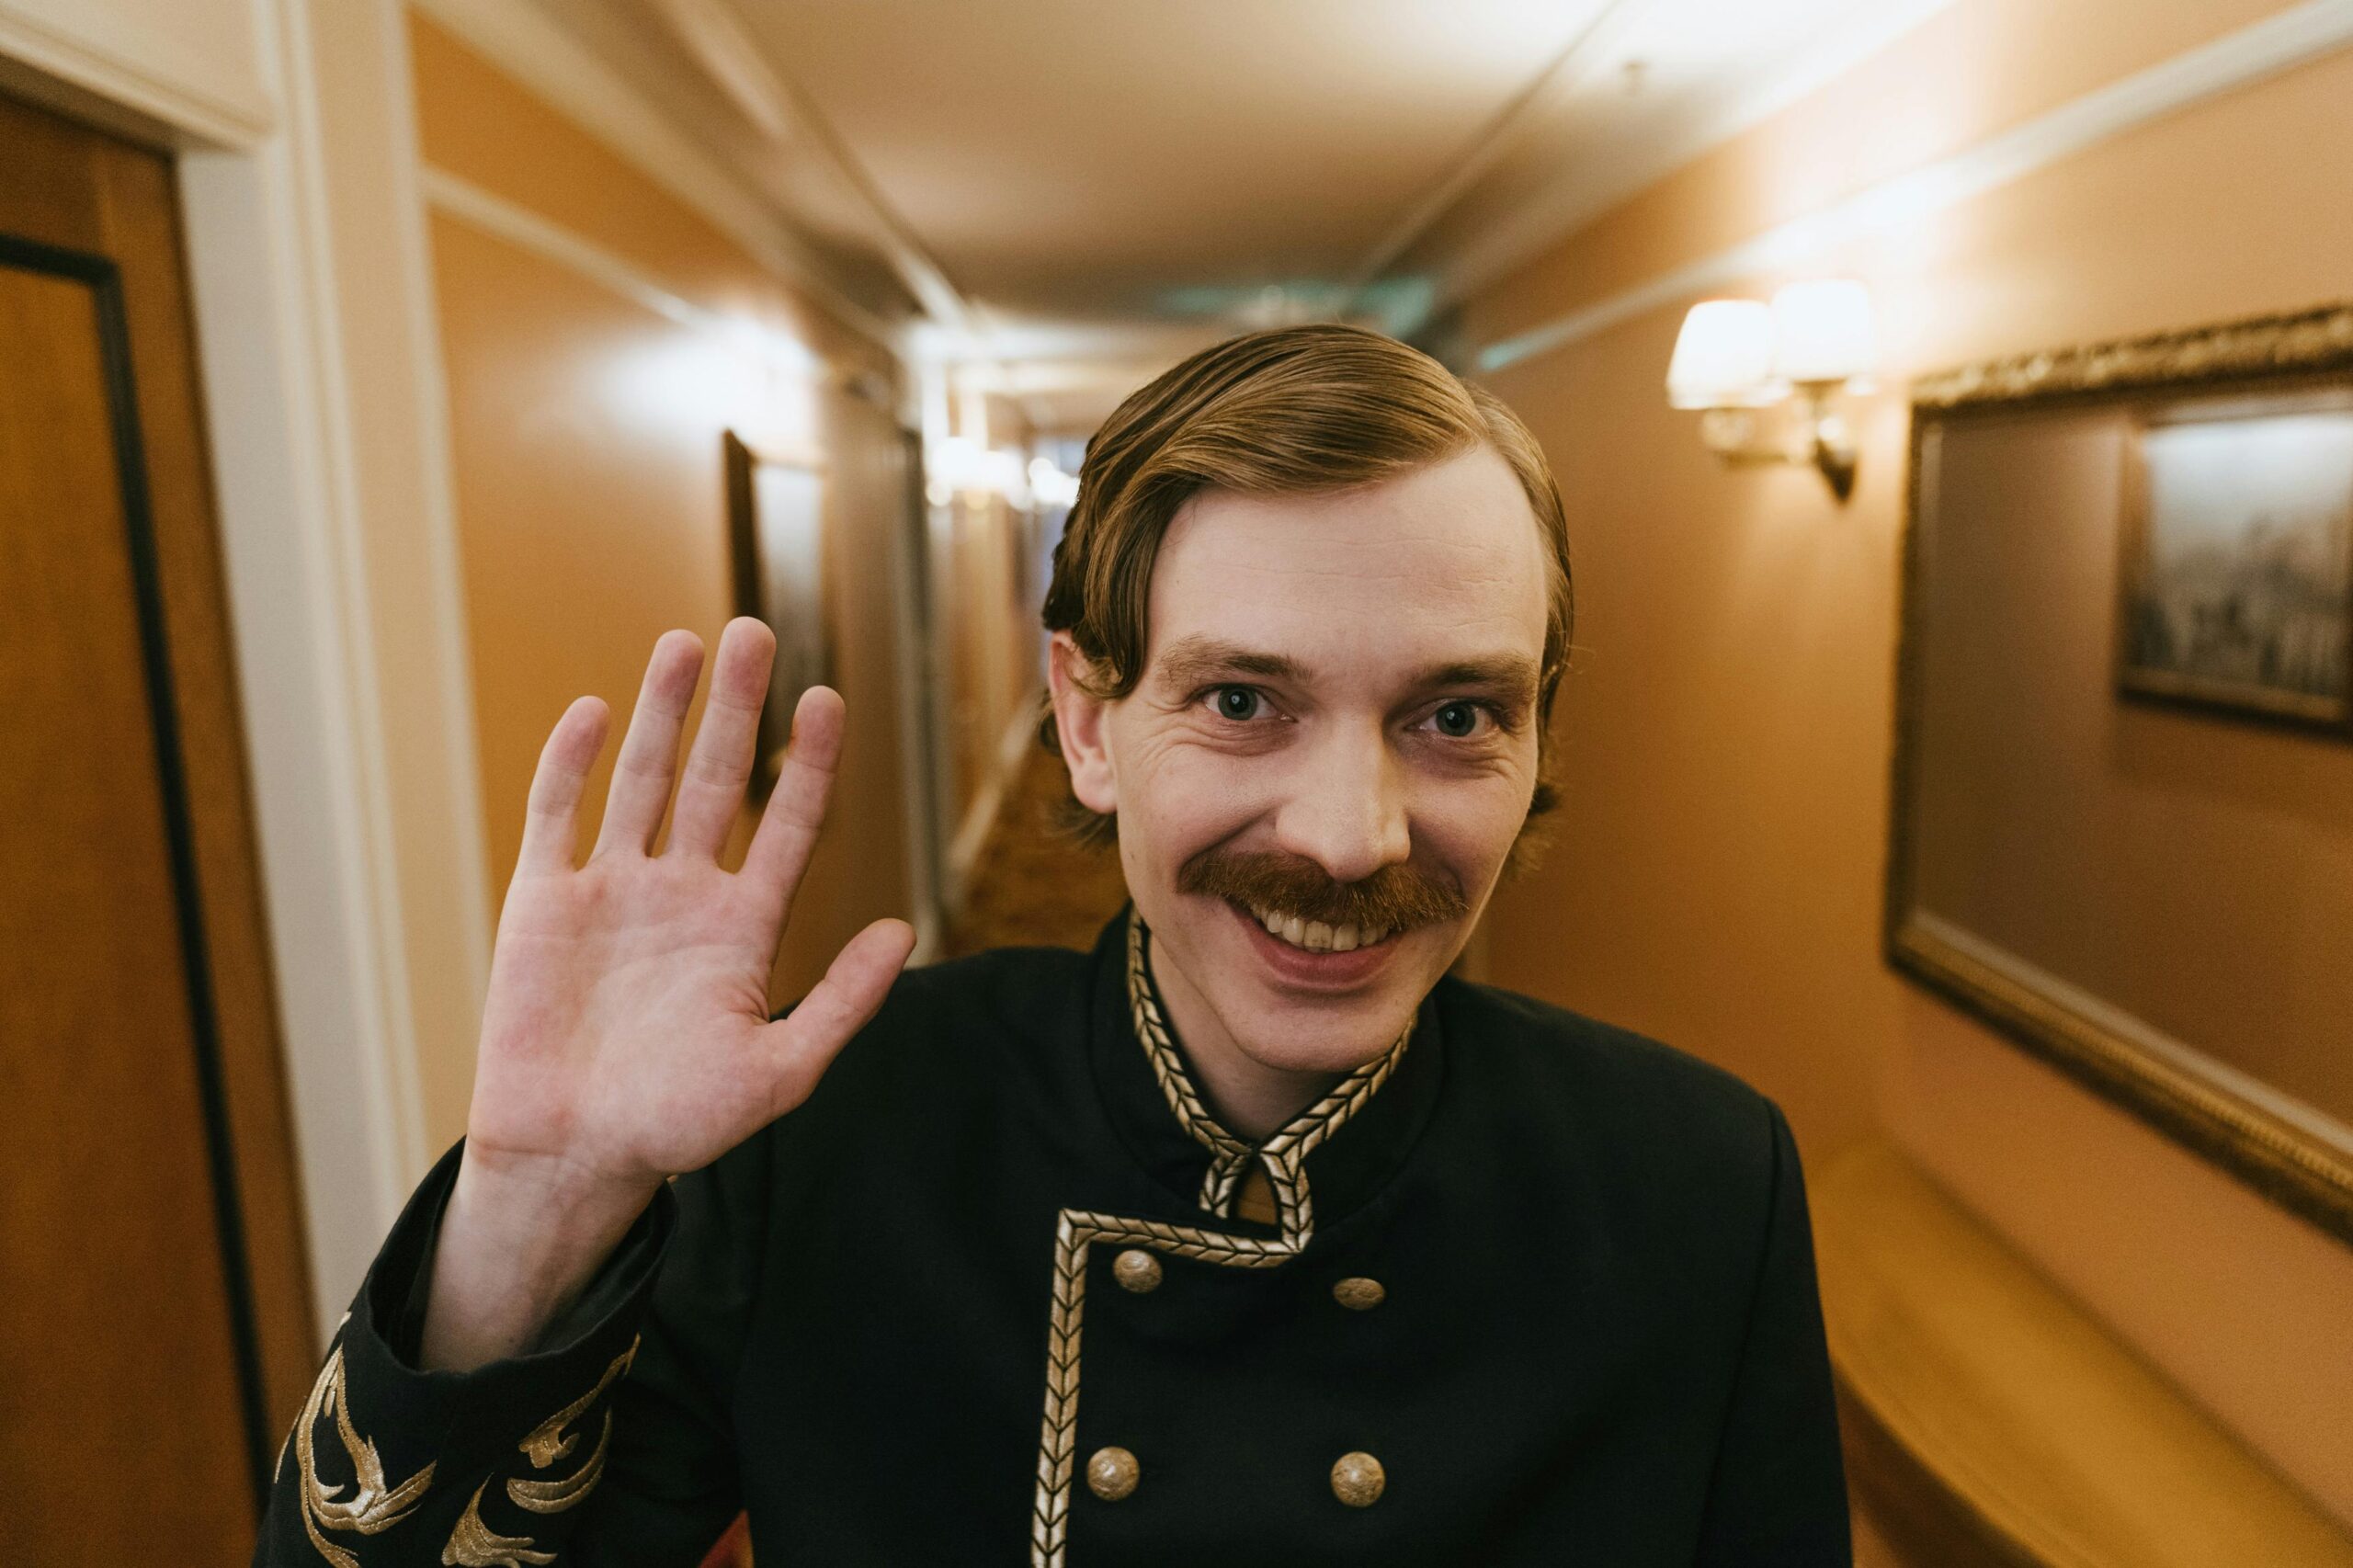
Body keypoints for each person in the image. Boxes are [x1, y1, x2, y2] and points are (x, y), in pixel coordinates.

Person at [256, 324, 1849, 1567]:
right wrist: (532, 1204)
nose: (1353, 835)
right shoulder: (826, 1132)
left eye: (1453, 715)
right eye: (1243, 700)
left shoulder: (1704, 1185)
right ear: (1090, 723)